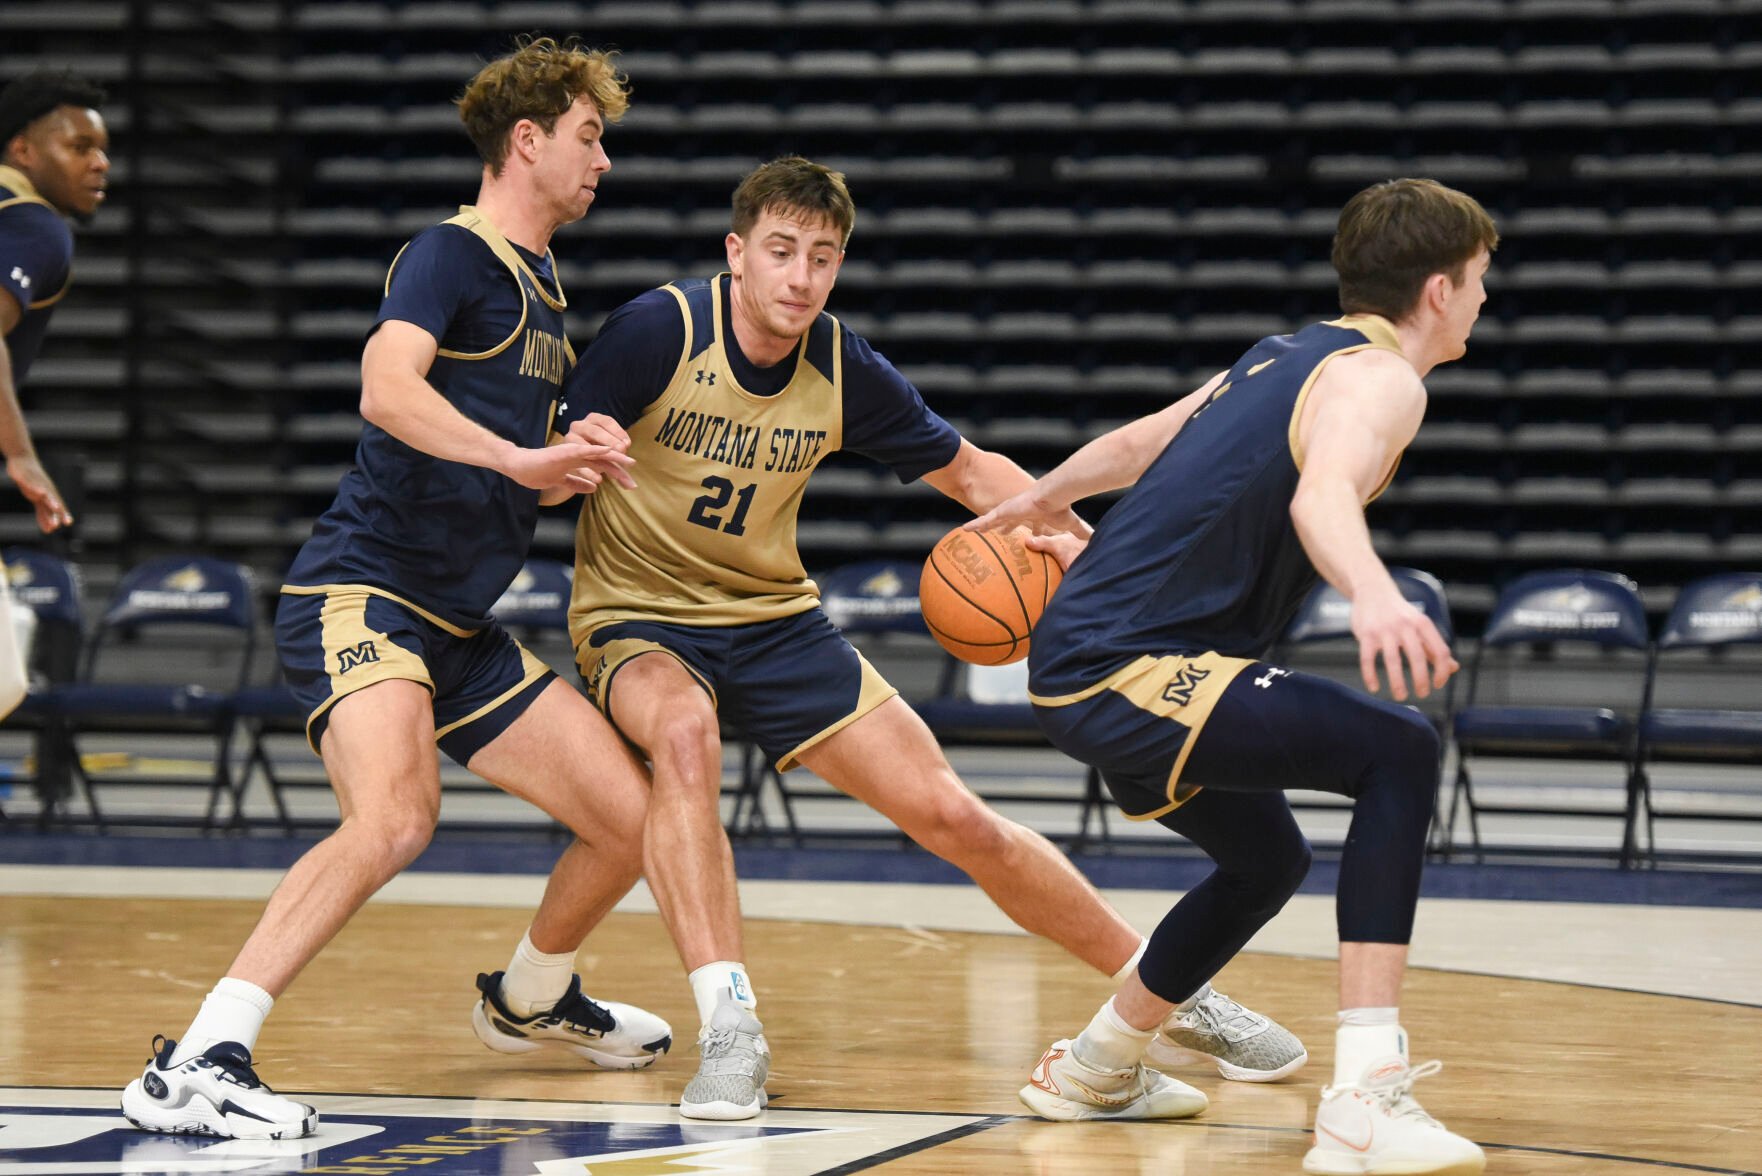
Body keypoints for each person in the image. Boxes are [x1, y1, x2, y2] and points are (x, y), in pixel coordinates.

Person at [481, 155, 1305, 1121]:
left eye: (822, 258)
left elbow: (968, 472)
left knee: (955, 814)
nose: (800, 277)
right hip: (639, 618)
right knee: (684, 742)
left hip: (775, 620)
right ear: (737, 252)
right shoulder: (659, 330)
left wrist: (1082, 544)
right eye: (781, 252)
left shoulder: (839, 363)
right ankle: (732, 1027)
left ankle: (1172, 991)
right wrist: (571, 463)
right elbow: (535, 479)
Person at [120, 37, 672, 1141]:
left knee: (633, 817)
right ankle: (199, 1060)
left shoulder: (541, 286)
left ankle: (530, 1000)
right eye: (589, 135)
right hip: (359, 595)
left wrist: (562, 457)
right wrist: (520, 460)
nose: (603, 159)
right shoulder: (451, 254)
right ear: (529, 141)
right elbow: (384, 388)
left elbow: (492, 461)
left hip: (456, 626)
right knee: (394, 817)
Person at [971, 178, 1494, 1174]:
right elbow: (1324, 498)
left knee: (1267, 860)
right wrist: (1374, 593)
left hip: (1097, 659)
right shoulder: (1382, 381)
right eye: (1477, 282)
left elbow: (1140, 443)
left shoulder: (1280, 353)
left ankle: (1095, 1065)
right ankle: (1365, 1100)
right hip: (1125, 664)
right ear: (1437, 290)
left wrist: (1041, 495)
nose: (1480, 301)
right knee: (1399, 749)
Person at [0, 69, 99, 714]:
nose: (99, 163)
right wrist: (21, 454)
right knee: (4, 679)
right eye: (79, 147)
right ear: (23, 152)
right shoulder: (36, 226)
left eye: (101, 148)